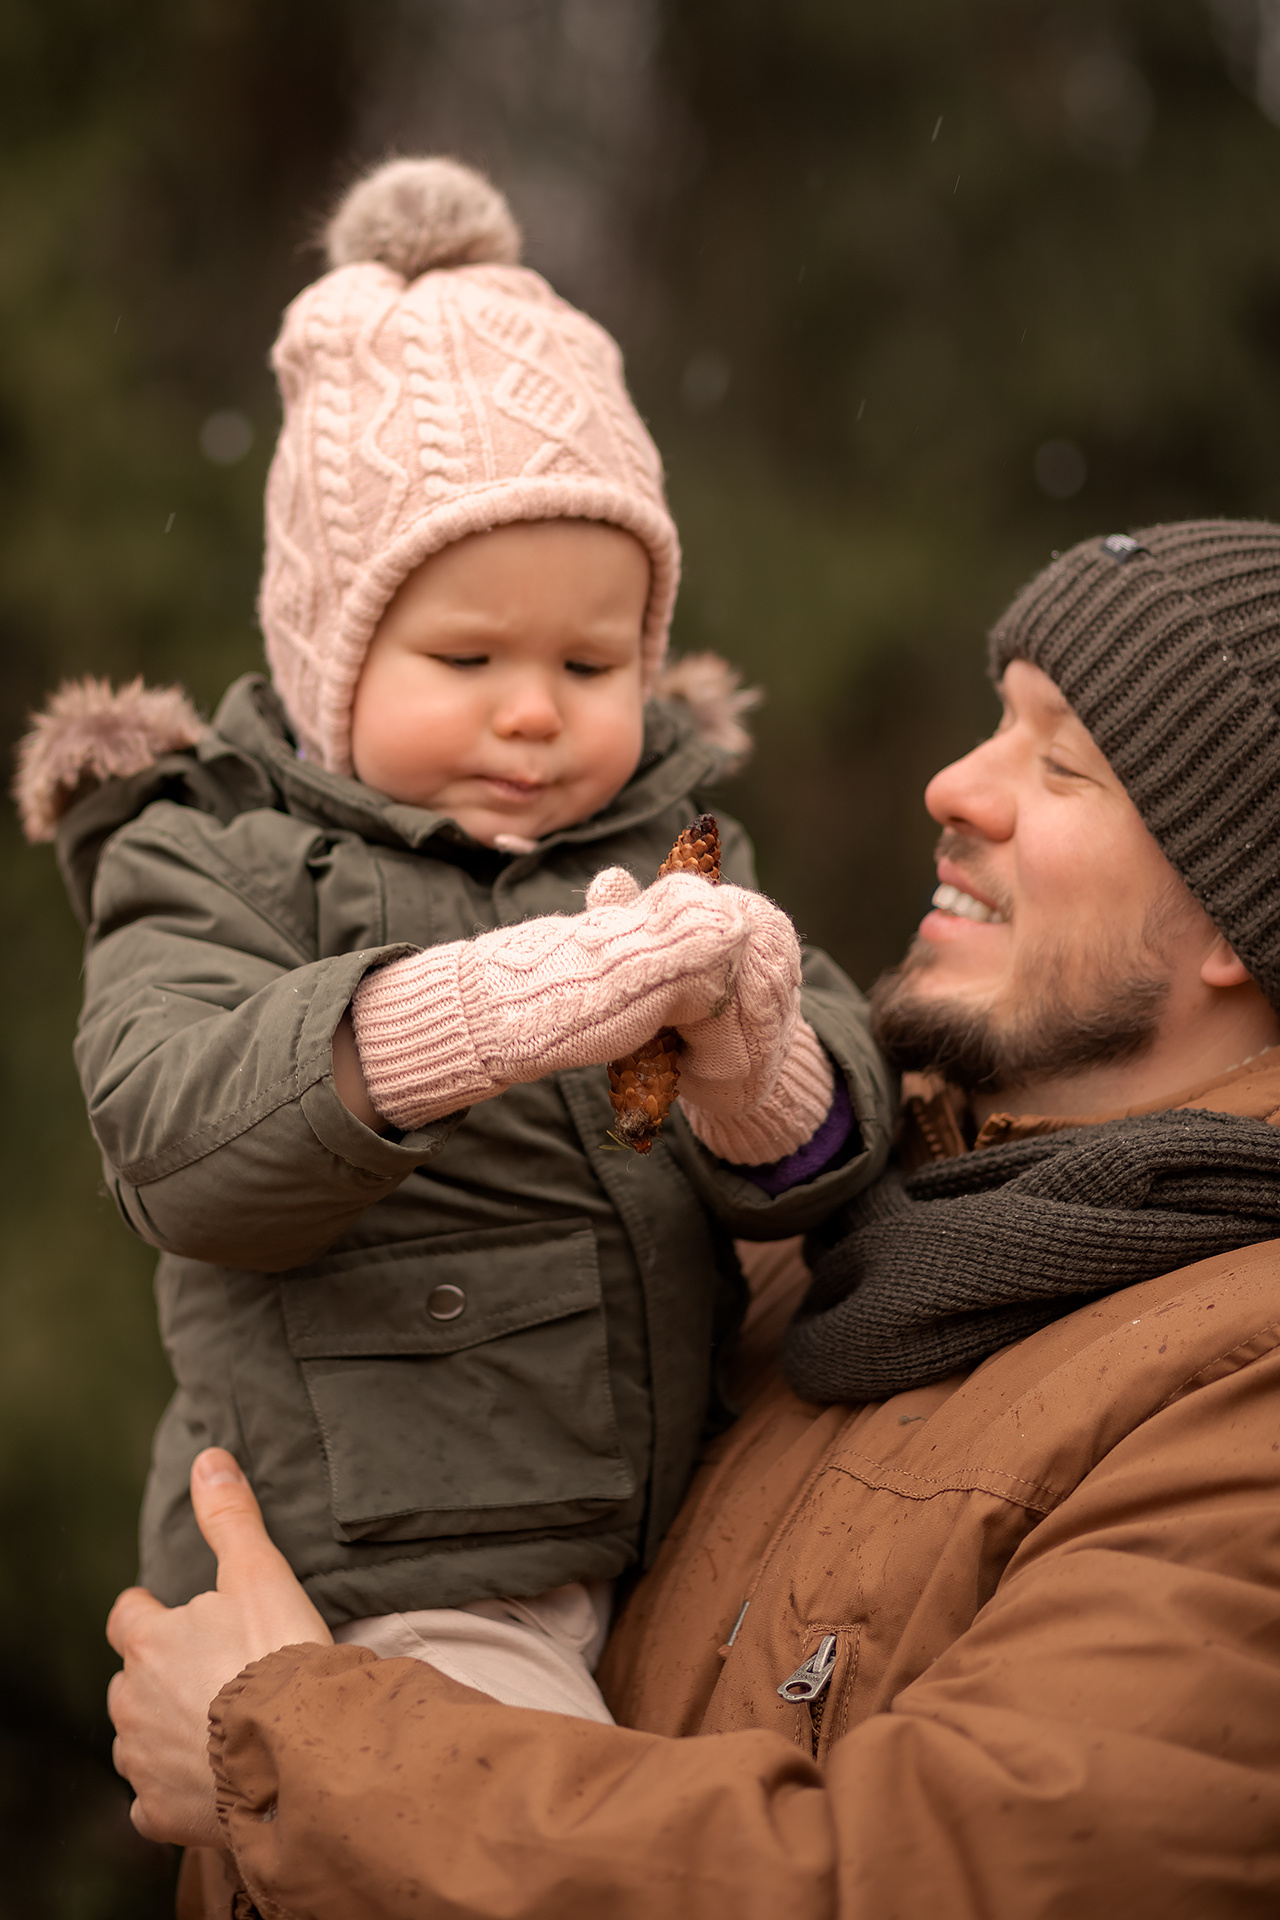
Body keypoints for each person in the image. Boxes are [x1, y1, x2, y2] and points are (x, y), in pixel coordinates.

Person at [111, 518, 1280, 1917]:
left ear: (1235, 919)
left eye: (1063, 761)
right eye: (993, 723)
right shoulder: (837, 1223)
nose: (955, 785)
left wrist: (283, 1749)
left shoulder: (1242, 1388)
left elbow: (920, 1884)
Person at [17, 156, 889, 1734]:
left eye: (593, 656)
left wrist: (764, 1081)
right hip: (385, 1578)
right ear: (328, 651)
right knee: (523, 1833)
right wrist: (471, 1016)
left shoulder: (677, 842)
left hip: (682, 1525)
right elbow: (178, 1141)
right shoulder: (214, 852)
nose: (538, 708)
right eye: (467, 653)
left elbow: (833, 1174)